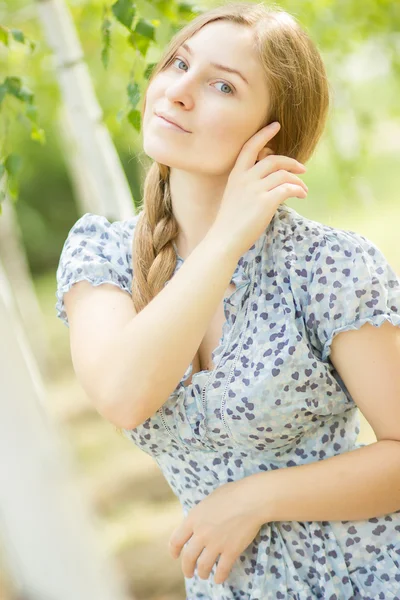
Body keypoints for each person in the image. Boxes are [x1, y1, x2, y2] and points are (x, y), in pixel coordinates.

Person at [55, 2, 400, 598]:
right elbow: (123, 397)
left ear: (273, 132)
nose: (179, 92)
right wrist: (224, 242)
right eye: (178, 64)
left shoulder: (329, 265)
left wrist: (255, 499)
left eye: (221, 85)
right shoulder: (102, 256)